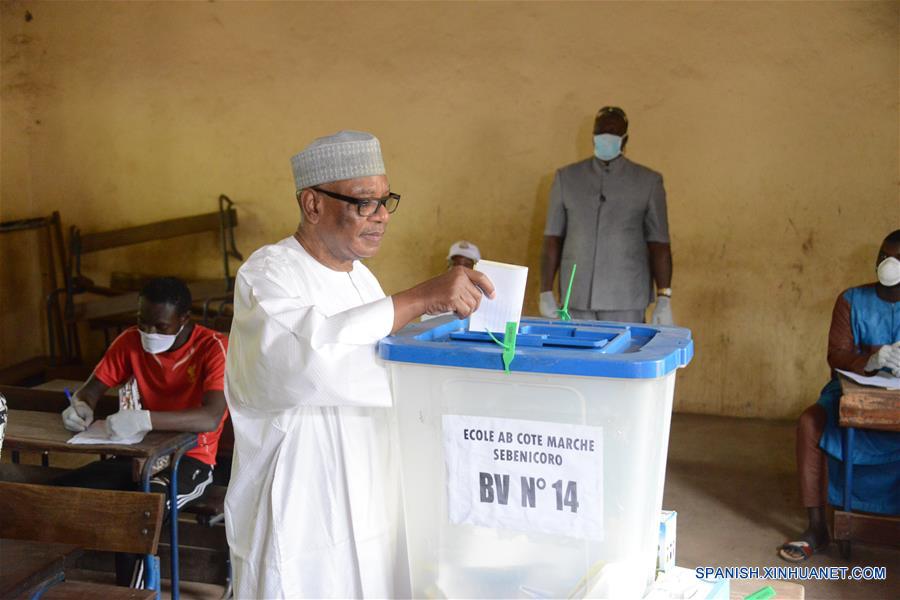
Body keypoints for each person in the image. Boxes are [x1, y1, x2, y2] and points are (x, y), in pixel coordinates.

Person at [224, 130, 494, 598]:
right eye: (365, 203)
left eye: (386, 200)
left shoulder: (362, 281)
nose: (382, 216)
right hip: (302, 502)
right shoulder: (268, 274)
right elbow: (308, 364)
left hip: (370, 493)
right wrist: (419, 298)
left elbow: (379, 362)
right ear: (312, 205)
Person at [57, 276, 228, 586]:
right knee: (60, 492)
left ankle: (132, 594)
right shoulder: (130, 341)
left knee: (140, 512)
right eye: (142, 323)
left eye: (160, 326)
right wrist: (80, 406)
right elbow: (91, 390)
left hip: (189, 460)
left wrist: (144, 419)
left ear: (184, 319)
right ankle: (51, 580)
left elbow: (211, 417)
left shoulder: (213, 347)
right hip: (137, 454)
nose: (149, 333)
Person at [778, 230, 900, 562]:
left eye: (897, 260)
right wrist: (870, 361)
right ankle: (817, 527)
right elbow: (837, 355)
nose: (889, 265)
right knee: (810, 423)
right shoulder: (851, 300)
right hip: (850, 389)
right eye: (884, 256)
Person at [539, 105, 673, 324]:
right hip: (576, 295)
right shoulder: (567, 178)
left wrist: (664, 297)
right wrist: (545, 291)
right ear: (593, 136)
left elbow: (659, 243)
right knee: (575, 356)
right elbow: (552, 238)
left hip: (626, 297)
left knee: (623, 355)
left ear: (625, 139)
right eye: (601, 131)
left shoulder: (648, 181)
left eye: (613, 132)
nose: (606, 137)